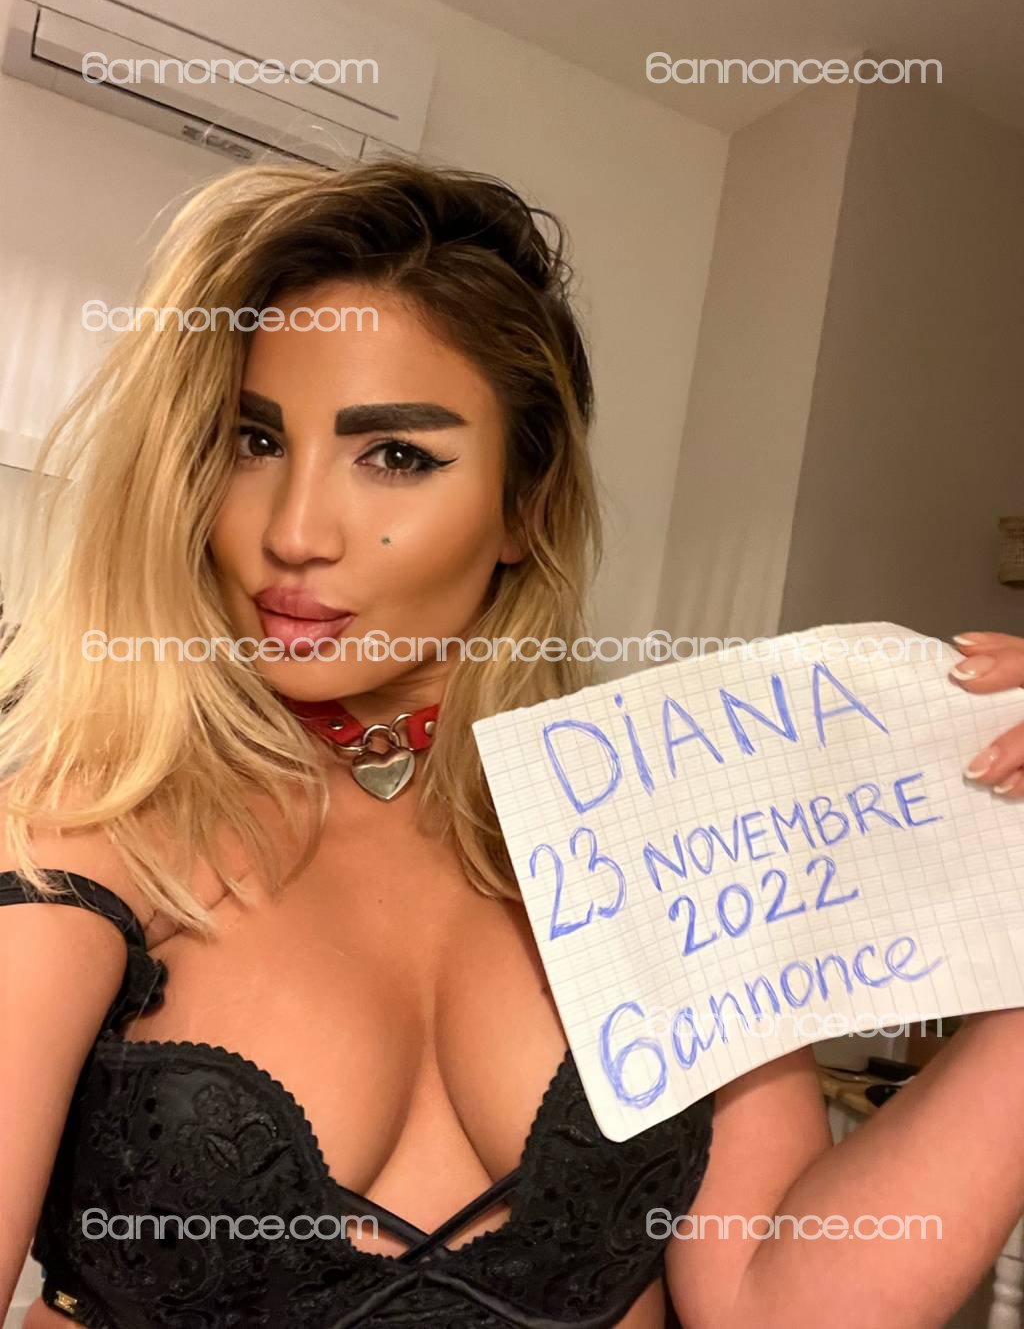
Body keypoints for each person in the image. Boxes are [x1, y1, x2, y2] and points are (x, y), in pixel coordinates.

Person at [0, 158, 1021, 1329]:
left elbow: (777, 1311)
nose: (294, 531)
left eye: (396, 456)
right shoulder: (87, 836)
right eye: (252, 441)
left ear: (523, 508)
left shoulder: (671, 821)